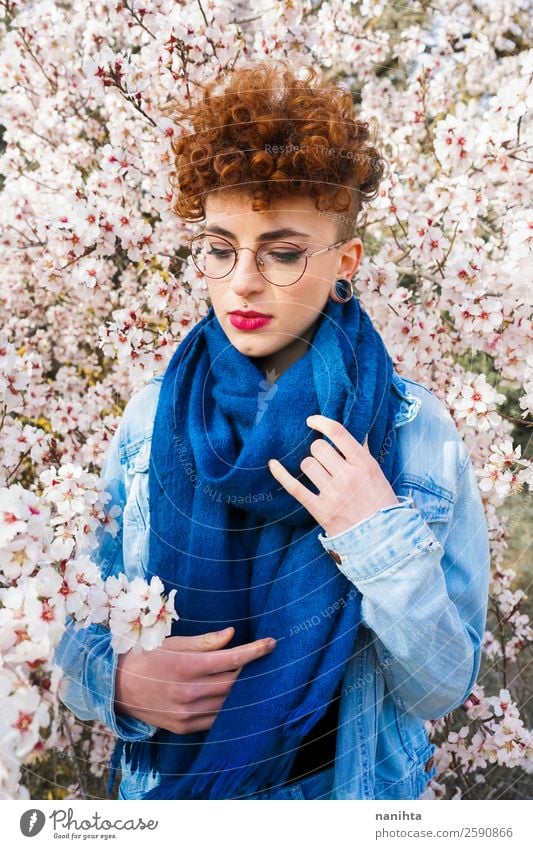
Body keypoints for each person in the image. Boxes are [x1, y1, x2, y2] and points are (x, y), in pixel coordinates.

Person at [54, 59, 490, 801]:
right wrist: (118, 679)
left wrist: (374, 531)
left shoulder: (414, 429)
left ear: (343, 262)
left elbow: (439, 686)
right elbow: (70, 631)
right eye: (221, 248)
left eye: (282, 252)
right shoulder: (151, 416)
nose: (244, 280)